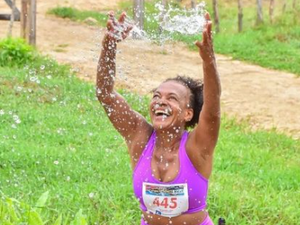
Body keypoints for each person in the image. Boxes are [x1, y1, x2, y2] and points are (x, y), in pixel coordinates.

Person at [96, 10, 221, 225]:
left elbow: (212, 109)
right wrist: (109, 45)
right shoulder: (140, 137)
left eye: (172, 98)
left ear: (188, 113)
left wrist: (208, 60)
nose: (160, 101)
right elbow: (105, 95)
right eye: (156, 96)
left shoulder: (196, 147)